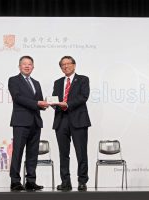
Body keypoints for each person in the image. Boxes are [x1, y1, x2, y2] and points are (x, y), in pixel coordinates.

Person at [8, 55, 49, 191]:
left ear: (33, 67)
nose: (27, 66)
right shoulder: (13, 80)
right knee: (18, 152)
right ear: (19, 66)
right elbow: (18, 98)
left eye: (29, 64)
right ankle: (15, 181)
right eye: (24, 64)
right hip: (20, 122)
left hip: (35, 122)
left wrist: (44, 104)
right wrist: (37, 103)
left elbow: (39, 101)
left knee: (33, 153)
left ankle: (31, 181)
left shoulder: (36, 83)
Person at [51, 56, 91, 191]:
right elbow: (54, 99)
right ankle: (65, 182)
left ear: (74, 65)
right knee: (63, 154)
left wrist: (67, 104)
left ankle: (82, 181)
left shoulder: (83, 79)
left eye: (68, 64)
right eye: (63, 65)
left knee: (81, 152)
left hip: (78, 120)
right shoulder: (57, 82)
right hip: (61, 121)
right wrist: (52, 103)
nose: (66, 66)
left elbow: (83, 97)